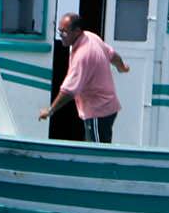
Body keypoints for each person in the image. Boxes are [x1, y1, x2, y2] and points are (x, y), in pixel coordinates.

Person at [38, 12, 131, 142]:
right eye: (59, 31)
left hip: (98, 111)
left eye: (64, 32)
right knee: (93, 147)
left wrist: (50, 110)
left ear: (76, 31)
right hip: (104, 107)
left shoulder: (83, 55)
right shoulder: (90, 36)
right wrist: (121, 67)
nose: (61, 36)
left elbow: (69, 91)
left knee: (97, 153)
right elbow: (113, 55)